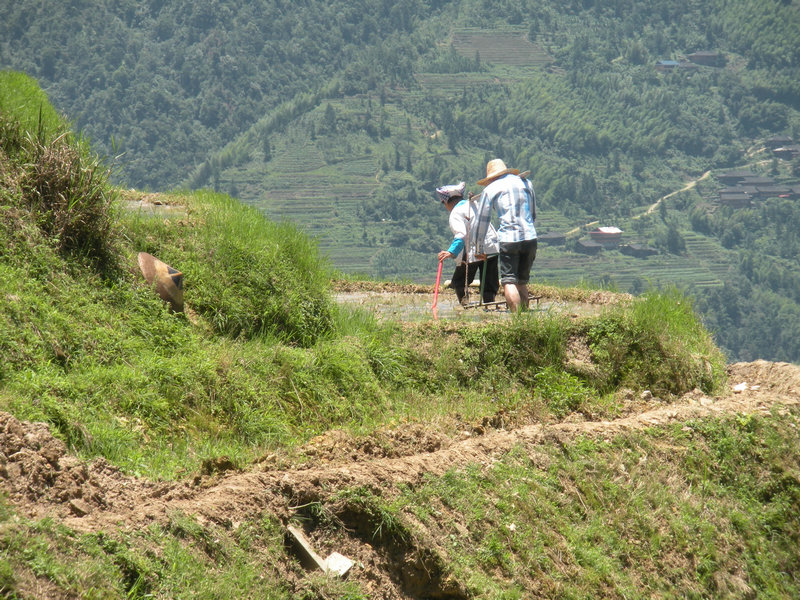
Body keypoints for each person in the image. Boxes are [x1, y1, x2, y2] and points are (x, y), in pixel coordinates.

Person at [472, 159, 537, 312]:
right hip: (530, 237)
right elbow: (533, 214)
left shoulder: (491, 189)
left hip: (509, 239)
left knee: (509, 281)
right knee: (522, 282)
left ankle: (516, 320)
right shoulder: (526, 183)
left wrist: (479, 248)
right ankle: (525, 319)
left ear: (491, 177)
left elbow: (482, 222)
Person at [435, 181, 499, 305]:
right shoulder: (475, 204)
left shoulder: (456, 213)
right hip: (491, 248)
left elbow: (461, 235)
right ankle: (489, 306)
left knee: (459, 282)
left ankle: (465, 306)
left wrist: (451, 251)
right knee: (489, 282)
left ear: (447, 201)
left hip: (474, 250)